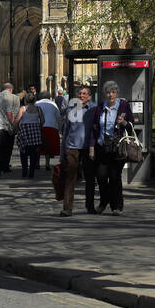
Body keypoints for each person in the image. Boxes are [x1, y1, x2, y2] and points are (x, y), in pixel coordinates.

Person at [91, 80, 134, 214]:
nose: (111, 95)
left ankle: (116, 206)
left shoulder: (123, 106)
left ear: (116, 93)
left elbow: (131, 124)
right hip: (102, 146)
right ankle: (104, 202)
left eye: (113, 92)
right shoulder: (99, 107)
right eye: (108, 92)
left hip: (117, 147)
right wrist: (92, 147)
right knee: (101, 177)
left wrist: (124, 122)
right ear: (104, 94)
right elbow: (94, 129)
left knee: (115, 177)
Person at [59, 86, 96, 216]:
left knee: (90, 178)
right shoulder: (71, 109)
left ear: (90, 96)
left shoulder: (94, 110)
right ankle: (67, 208)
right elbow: (66, 131)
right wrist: (62, 152)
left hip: (88, 148)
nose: (81, 96)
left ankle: (90, 206)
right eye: (80, 93)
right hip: (72, 147)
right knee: (70, 178)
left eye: (84, 94)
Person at [15, 93, 45, 178]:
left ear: (26, 100)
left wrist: (15, 128)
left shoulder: (23, 108)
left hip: (25, 131)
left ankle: (24, 171)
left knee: (23, 151)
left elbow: (17, 120)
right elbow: (43, 120)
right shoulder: (38, 109)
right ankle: (31, 172)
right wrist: (38, 127)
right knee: (34, 153)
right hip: (35, 131)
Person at [36, 90, 62, 169]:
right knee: (48, 146)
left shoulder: (37, 103)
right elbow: (58, 116)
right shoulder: (53, 104)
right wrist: (59, 128)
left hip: (39, 126)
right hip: (51, 126)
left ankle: (37, 163)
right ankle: (47, 163)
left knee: (38, 145)